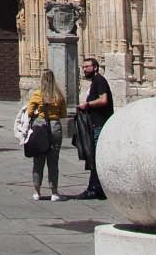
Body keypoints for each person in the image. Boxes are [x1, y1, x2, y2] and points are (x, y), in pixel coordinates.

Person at [24, 69, 67, 201]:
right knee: (53, 161)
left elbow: (29, 112)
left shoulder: (37, 94)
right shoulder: (59, 95)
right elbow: (63, 114)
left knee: (38, 160)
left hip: (40, 126)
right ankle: (54, 192)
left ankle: (37, 192)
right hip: (55, 127)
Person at [75, 56, 115, 199]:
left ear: (95, 67)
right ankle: (96, 188)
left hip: (100, 125)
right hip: (95, 124)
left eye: (87, 67)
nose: (84, 69)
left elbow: (104, 100)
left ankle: (95, 189)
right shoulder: (95, 81)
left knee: (97, 158)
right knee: (95, 157)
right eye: (84, 67)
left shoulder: (99, 80)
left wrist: (88, 105)